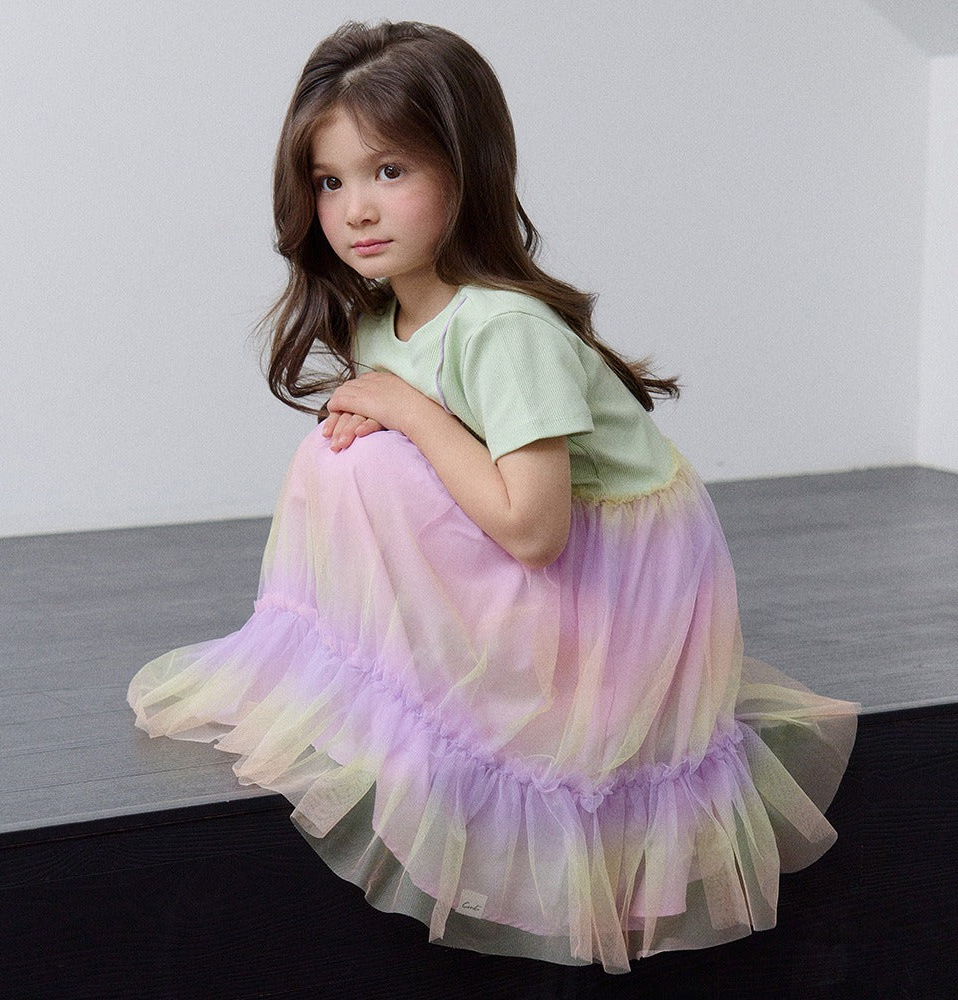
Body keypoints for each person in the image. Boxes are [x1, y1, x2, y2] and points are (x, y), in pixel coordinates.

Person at [128, 20, 858, 974]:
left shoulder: (504, 329)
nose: (355, 209)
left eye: (390, 171)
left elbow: (535, 528)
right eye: (330, 181)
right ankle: (385, 679)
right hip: (550, 561)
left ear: (467, 170)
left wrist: (402, 410)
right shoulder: (386, 315)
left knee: (367, 457)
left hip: (614, 596)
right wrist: (384, 415)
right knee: (341, 457)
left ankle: (495, 702)